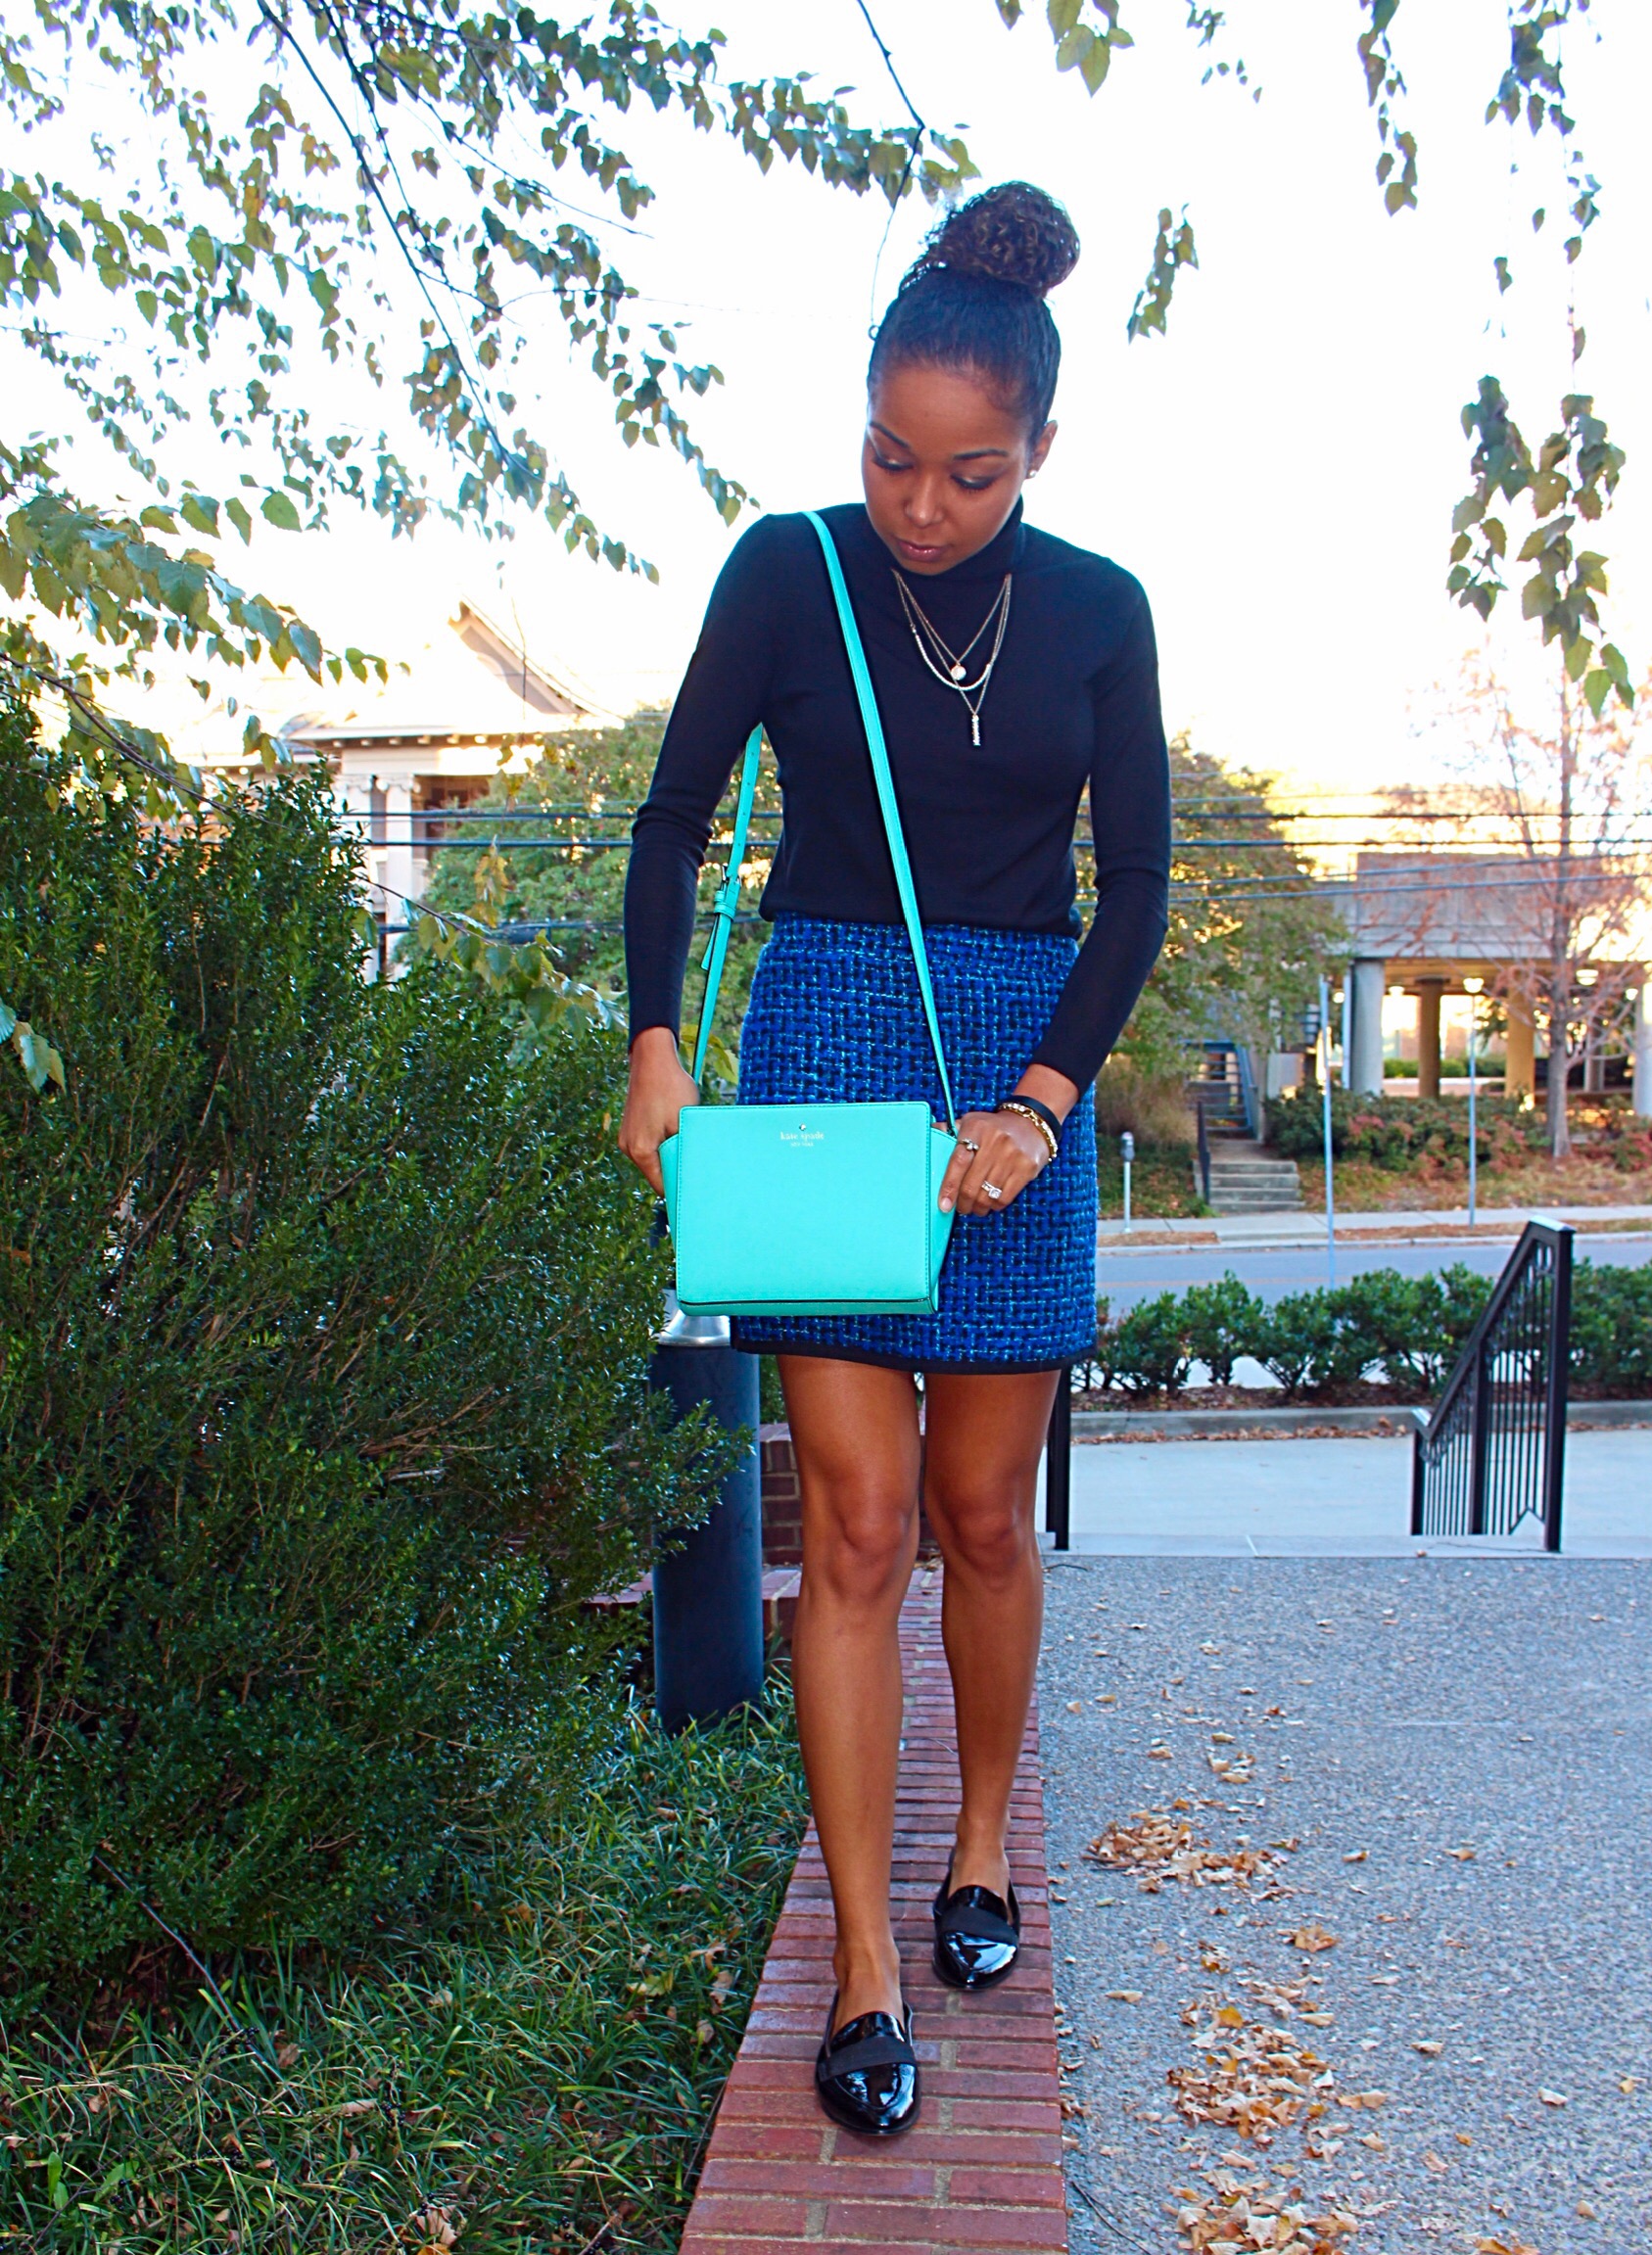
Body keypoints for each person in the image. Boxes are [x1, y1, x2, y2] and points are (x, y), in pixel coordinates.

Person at [621, 180, 1170, 2136]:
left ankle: (984, 1841)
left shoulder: (1100, 611)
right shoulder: (787, 572)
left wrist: (1043, 1100)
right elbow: (672, 819)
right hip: (829, 1047)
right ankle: (862, 1961)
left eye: (968, 472)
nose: (920, 505)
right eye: (889, 458)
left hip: (1020, 1073)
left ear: (1039, 448)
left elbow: (1137, 888)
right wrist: (656, 1039)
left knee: (981, 1515)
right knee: (855, 1529)